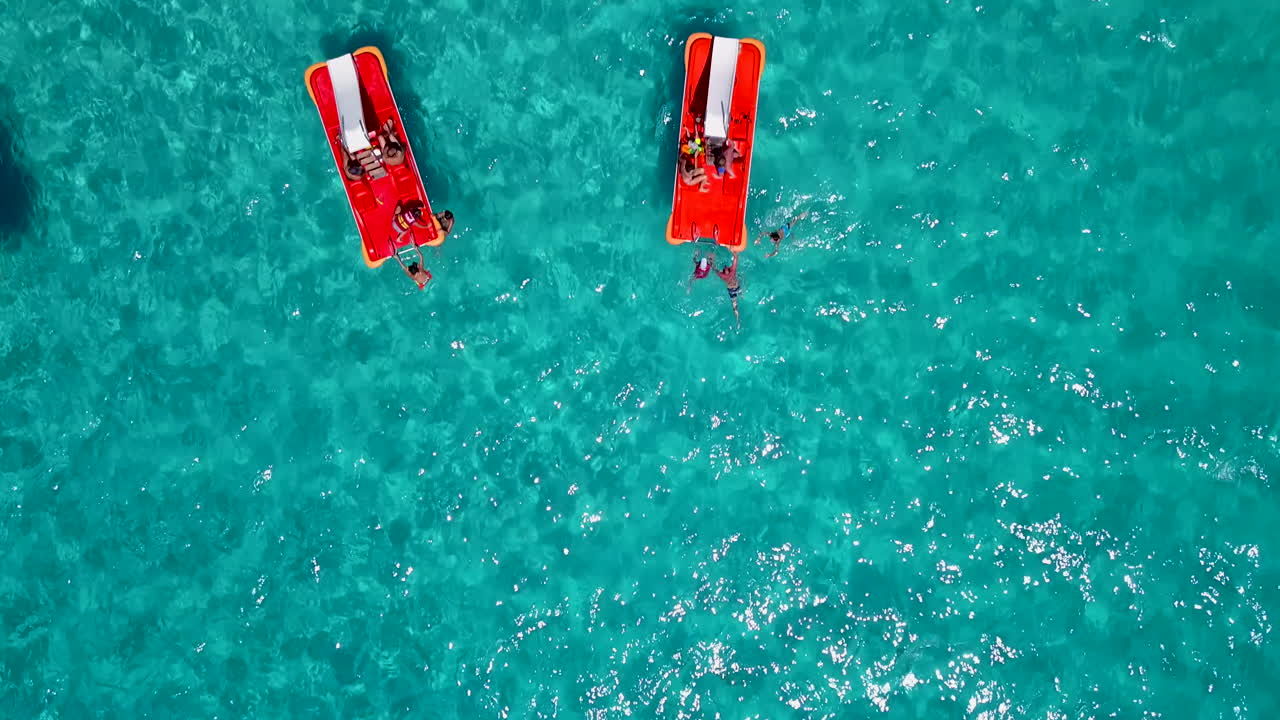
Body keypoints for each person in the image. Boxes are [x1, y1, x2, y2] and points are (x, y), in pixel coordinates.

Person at [716, 254, 742, 329]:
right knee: (740, 294)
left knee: (734, 305)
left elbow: (716, 271)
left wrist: (712, 264)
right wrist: (733, 252)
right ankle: (737, 320)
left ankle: (737, 320)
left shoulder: (723, 276)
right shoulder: (733, 272)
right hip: (737, 287)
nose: (726, 267)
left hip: (731, 291)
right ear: (728, 269)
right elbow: (736, 258)